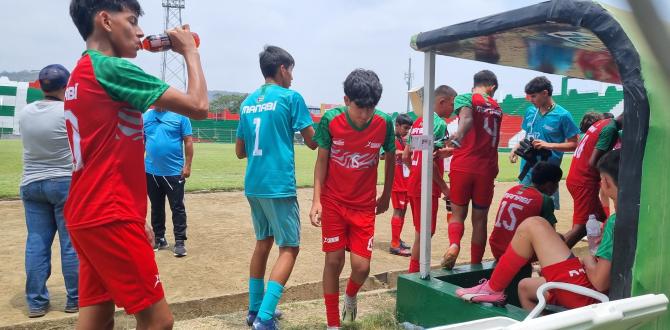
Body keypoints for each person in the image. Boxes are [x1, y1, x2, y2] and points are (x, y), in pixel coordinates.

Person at [65, 1, 208, 328]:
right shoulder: (111, 68)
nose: (141, 31)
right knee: (159, 321)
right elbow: (198, 106)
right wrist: (190, 52)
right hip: (108, 211)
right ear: (105, 21)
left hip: (87, 211)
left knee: (97, 318)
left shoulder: (81, 70)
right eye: (131, 20)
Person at [456, 149, 620, 311]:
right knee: (524, 286)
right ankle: (493, 288)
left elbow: (600, 281)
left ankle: (493, 288)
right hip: (600, 290)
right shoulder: (630, 214)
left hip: (591, 295)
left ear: (605, 182)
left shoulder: (615, 220)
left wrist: (587, 259)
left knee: (533, 225)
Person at [235, 45, 317, 330]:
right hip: (278, 184)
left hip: (254, 184)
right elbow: (313, 141)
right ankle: (265, 317)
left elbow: (239, 151)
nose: (292, 77)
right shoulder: (290, 97)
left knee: (263, 243)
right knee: (290, 248)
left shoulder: (246, 103)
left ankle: (254, 309)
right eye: (291, 71)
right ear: (282, 69)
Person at [309, 69, 394, 330]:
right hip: (333, 201)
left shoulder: (384, 122)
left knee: (362, 267)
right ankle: (333, 324)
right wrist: (316, 200)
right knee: (333, 261)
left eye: (371, 108)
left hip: (364, 205)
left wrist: (386, 194)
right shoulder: (331, 120)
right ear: (346, 100)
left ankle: (351, 295)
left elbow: (390, 157)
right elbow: (321, 160)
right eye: (360, 108)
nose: (366, 114)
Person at [18, 64, 79, 318]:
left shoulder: (25, 112)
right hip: (63, 182)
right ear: (66, 86)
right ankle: (75, 298)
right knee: (70, 243)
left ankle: (36, 302)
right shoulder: (67, 111)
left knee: (36, 242)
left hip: (31, 183)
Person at [442, 70, 503, 269]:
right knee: (480, 220)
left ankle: (454, 245)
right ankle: (476, 264)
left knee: (458, 214)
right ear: (492, 86)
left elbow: (467, 120)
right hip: (487, 168)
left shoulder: (467, 97)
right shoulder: (496, 107)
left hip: (463, 165)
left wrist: (458, 135)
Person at [401, 86, 456, 273]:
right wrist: (445, 188)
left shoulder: (418, 122)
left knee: (420, 231)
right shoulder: (438, 124)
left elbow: (406, 156)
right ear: (442, 102)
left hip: (413, 183)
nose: (453, 109)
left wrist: (414, 170)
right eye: (452, 103)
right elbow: (429, 161)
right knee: (424, 233)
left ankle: (414, 272)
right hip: (427, 186)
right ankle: (414, 274)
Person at [510, 76, 580, 210]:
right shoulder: (530, 112)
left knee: (546, 212)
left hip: (547, 175)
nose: (530, 100)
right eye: (529, 96)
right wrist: (516, 147)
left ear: (545, 93)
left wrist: (548, 145)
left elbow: (574, 144)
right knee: (523, 208)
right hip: (527, 170)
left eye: (533, 96)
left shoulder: (563, 115)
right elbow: (527, 136)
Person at [564, 113, 621, 247]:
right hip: (584, 182)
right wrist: (610, 176)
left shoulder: (603, 123)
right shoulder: (610, 129)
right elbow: (593, 162)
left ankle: (600, 255)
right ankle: (553, 260)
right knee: (580, 229)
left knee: (600, 219)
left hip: (577, 178)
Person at [143, 108, 193, 257]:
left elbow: (188, 141)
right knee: (156, 206)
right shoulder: (146, 116)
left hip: (173, 172)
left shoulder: (181, 116)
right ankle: (159, 238)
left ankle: (179, 241)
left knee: (177, 207)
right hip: (151, 171)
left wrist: (188, 166)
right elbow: (142, 141)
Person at [489, 162, 562, 260]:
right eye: (557, 183)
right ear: (549, 185)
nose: (557, 187)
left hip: (496, 248)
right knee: (560, 240)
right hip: (516, 254)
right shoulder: (544, 199)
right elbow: (551, 236)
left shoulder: (513, 189)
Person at [388, 113, 413, 256]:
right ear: (397, 125)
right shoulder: (391, 138)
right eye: (405, 128)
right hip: (396, 182)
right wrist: (400, 152)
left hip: (406, 182)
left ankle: (397, 238)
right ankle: (394, 244)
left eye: (409, 129)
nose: (407, 131)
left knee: (403, 210)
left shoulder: (404, 140)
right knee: (398, 210)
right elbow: (383, 155)